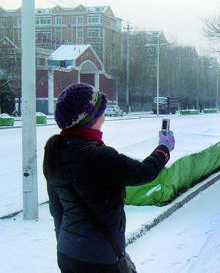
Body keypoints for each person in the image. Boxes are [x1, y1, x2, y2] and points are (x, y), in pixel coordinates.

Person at [43, 83, 175, 272]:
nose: (104, 118)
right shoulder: (101, 157)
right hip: (100, 259)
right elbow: (145, 172)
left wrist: (70, 246)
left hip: (67, 254)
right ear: (90, 120)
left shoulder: (55, 152)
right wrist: (164, 148)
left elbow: (57, 211)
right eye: (100, 113)